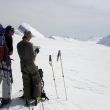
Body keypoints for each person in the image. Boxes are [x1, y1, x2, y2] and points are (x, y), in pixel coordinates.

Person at [17, 31, 41, 105]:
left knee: (26, 83)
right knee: (37, 80)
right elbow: (32, 58)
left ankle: (27, 98)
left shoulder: (18, 44)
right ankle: (37, 97)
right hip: (30, 65)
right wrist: (36, 52)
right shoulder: (30, 45)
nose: (31, 37)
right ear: (27, 35)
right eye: (30, 36)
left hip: (23, 66)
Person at [0, 25, 14, 106]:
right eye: (12, 30)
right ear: (8, 31)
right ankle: (6, 99)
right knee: (6, 80)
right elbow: (11, 52)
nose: (13, 32)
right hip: (5, 62)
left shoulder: (2, 36)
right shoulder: (8, 37)